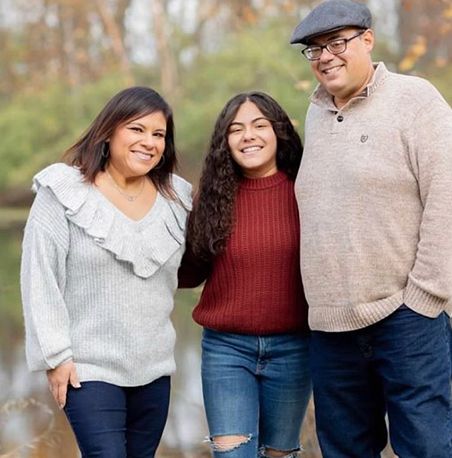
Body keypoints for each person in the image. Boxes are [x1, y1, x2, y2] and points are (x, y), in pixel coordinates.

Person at [290, 0, 452, 458]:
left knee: (427, 449)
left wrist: (427, 297)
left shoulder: (416, 99)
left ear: (367, 41)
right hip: (331, 327)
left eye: (337, 43)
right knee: (345, 451)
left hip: (405, 318)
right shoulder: (314, 114)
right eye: (314, 50)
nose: (325, 56)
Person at [19, 86, 191, 457]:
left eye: (159, 134)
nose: (149, 142)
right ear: (109, 132)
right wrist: (56, 356)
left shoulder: (178, 199)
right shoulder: (63, 191)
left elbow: (209, 260)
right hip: (88, 370)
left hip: (154, 369)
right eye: (137, 129)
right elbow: (40, 279)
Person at [178, 91, 310, 458]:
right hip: (226, 350)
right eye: (236, 129)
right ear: (226, 142)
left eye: (259, 125)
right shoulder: (212, 200)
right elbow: (187, 272)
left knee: (279, 454)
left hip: (295, 348)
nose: (248, 135)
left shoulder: (307, 193)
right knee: (232, 455)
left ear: (278, 132)